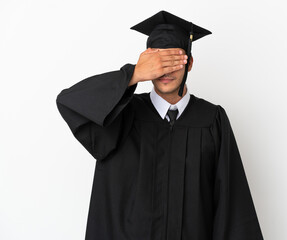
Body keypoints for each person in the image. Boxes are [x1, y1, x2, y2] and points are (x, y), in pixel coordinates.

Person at [56, 10, 263, 240]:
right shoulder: (121, 115)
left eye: (174, 59)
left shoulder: (211, 120)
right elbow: (69, 103)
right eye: (158, 61)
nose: (166, 70)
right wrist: (132, 74)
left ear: (190, 63)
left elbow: (232, 207)